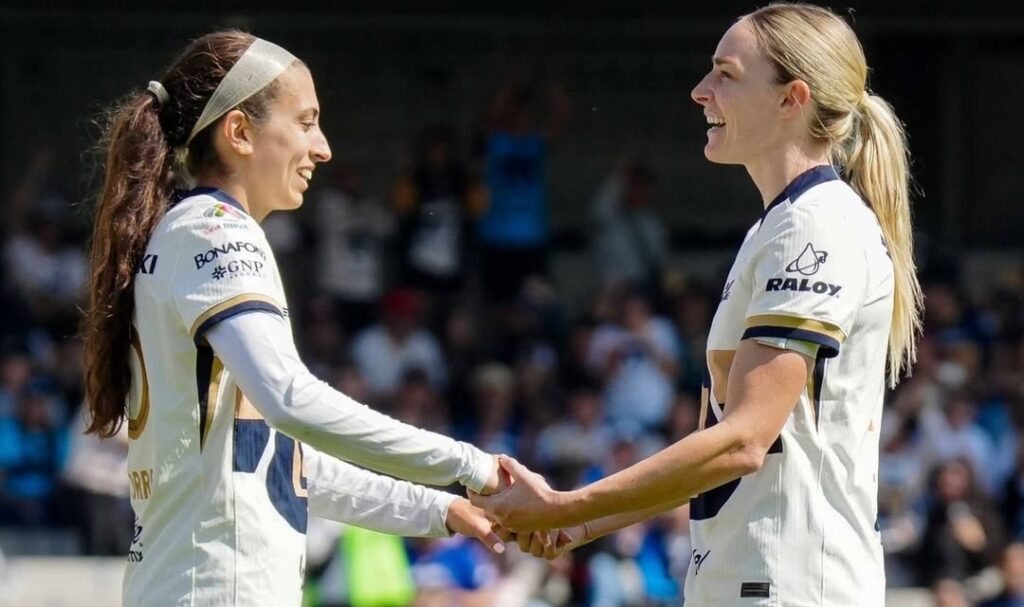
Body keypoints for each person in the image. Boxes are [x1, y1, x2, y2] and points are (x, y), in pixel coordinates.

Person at [473, 5, 924, 606]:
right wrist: (580, 525)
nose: (699, 91)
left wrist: (568, 503)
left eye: (725, 74)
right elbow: (717, 446)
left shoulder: (813, 229)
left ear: (792, 99)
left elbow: (743, 441)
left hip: (789, 585)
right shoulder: (779, 227)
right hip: (750, 579)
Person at [80, 31, 507, 607]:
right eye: (306, 122)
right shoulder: (217, 231)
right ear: (239, 133)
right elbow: (288, 397)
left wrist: (443, 507)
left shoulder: (187, 231)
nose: (324, 147)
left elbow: (277, 465)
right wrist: (469, 463)